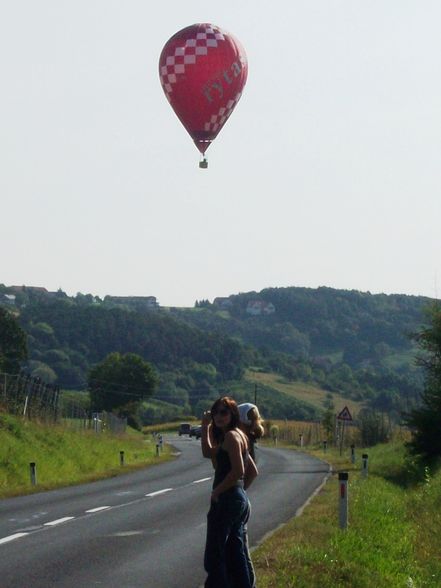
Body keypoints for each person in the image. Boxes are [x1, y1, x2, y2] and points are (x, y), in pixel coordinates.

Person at [201, 396, 258, 588]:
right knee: (235, 552)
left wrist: (218, 490)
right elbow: (208, 452)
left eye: (224, 412)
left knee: (215, 555)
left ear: (233, 414)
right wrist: (205, 427)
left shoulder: (232, 437)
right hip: (236, 499)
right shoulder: (238, 435)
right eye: (215, 411)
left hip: (227, 500)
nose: (218, 416)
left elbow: (239, 471)